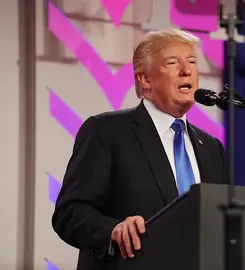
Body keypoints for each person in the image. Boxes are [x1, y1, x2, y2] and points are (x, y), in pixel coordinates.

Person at [52, 29, 228, 270]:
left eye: (192, 62)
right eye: (173, 62)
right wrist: (113, 230)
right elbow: (70, 213)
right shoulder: (106, 131)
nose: (186, 70)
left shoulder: (211, 148)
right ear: (145, 80)